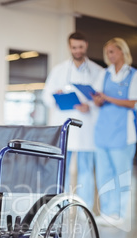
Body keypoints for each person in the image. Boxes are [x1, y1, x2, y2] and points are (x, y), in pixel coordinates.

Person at [42, 32, 103, 210]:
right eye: (74, 47)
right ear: (70, 47)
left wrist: (90, 105)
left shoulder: (98, 71)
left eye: (81, 47)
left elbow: (101, 98)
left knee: (86, 170)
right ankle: (60, 205)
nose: (77, 50)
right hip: (65, 125)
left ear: (86, 46)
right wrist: (57, 96)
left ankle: (84, 206)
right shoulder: (58, 70)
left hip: (87, 128)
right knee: (62, 169)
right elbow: (46, 96)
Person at [92, 37, 137, 227]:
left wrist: (108, 98)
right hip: (103, 130)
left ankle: (121, 213)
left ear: (122, 51)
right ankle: (108, 213)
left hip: (123, 133)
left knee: (122, 174)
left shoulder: (133, 75)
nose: (110, 56)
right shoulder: (104, 74)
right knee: (104, 174)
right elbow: (95, 98)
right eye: (108, 52)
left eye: (113, 51)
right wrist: (98, 100)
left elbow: (133, 102)